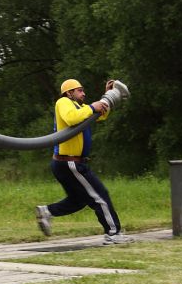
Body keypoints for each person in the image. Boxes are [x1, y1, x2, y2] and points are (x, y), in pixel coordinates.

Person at [35, 78, 130, 244]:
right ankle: (113, 234)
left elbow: (100, 116)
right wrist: (93, 107)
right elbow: (71, 118)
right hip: (70, 162)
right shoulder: (63, 102)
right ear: (69, 92)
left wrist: (107, 95)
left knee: (79, 200)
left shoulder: (81, 108)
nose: (83, 93)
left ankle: (47, 212)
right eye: (80, 90)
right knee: (100, 196)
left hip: (67, 163)